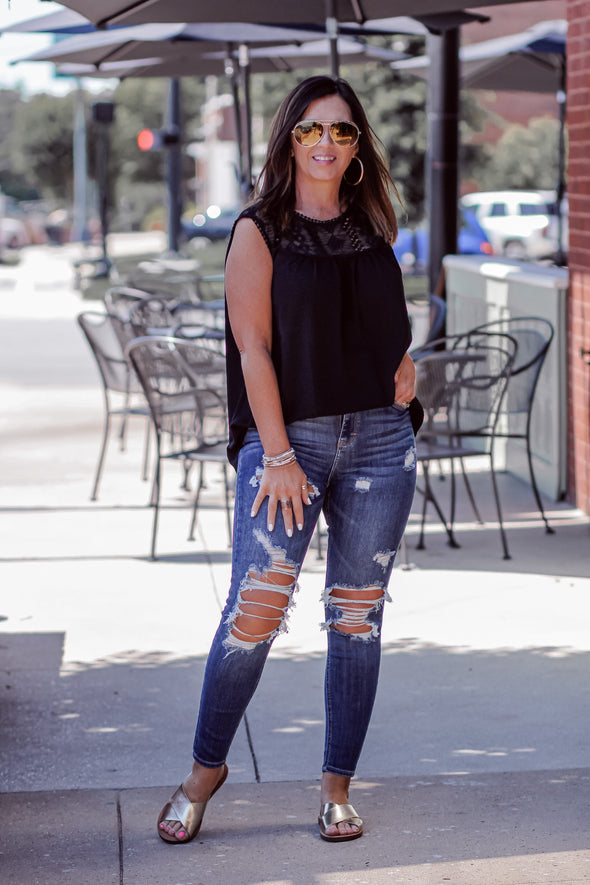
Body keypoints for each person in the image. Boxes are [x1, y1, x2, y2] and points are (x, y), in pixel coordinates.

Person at [157, 75, 421, 846]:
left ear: (358, 146)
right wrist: (274, 452)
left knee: (356, 618)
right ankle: (206, 769)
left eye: (342, 131)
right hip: (289, 443)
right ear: (289, 139)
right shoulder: (258, 228)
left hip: (380, 438)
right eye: (312, 129)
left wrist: (408, 369)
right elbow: (254, 347)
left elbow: (386, 326)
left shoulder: (375, 224)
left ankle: (336, 785)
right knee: (255, 612)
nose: (327, 144)